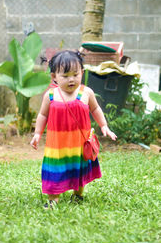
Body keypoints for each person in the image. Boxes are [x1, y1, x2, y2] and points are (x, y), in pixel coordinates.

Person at [30, 50, 117, 208]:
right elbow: (42, 115)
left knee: (79, 168)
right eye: (65, 76)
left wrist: (104, 126)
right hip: (57, 145)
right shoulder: (50, 95)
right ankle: (53, 200)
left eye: (75, 74)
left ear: (82, 73)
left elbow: (96, 109)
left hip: (79, 143)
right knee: (55, 170)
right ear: (54, 77)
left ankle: (78, 195)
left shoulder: (86, 93)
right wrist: (37, 133)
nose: (71, 79)